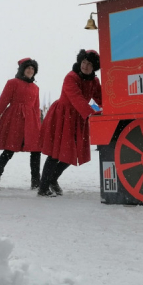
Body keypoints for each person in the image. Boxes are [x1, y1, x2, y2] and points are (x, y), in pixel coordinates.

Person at [37, 49, 102, 197]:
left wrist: (100, 109)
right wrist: (94, 112)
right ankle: (43, 187)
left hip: (78, 118)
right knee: (55, 153)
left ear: (94, 67)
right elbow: (77, 99)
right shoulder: (71, 77)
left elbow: (96, 99)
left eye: (89, 64)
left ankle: (52, 179)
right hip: (62, 117)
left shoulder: (94, 81)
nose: (85, 66)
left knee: (72, 152)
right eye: (84, 62)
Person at [0, 58, 42, 191]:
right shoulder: (12, 83)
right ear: (22, 69)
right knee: (9, 151)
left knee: (36, 151)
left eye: (33, 69)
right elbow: (2, 103)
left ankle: (36, 181)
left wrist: (38, 126)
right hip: (14, 121)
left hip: (31, 123)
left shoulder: (35, 87)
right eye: (28, 68)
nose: (30, 71)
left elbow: (36, 108)